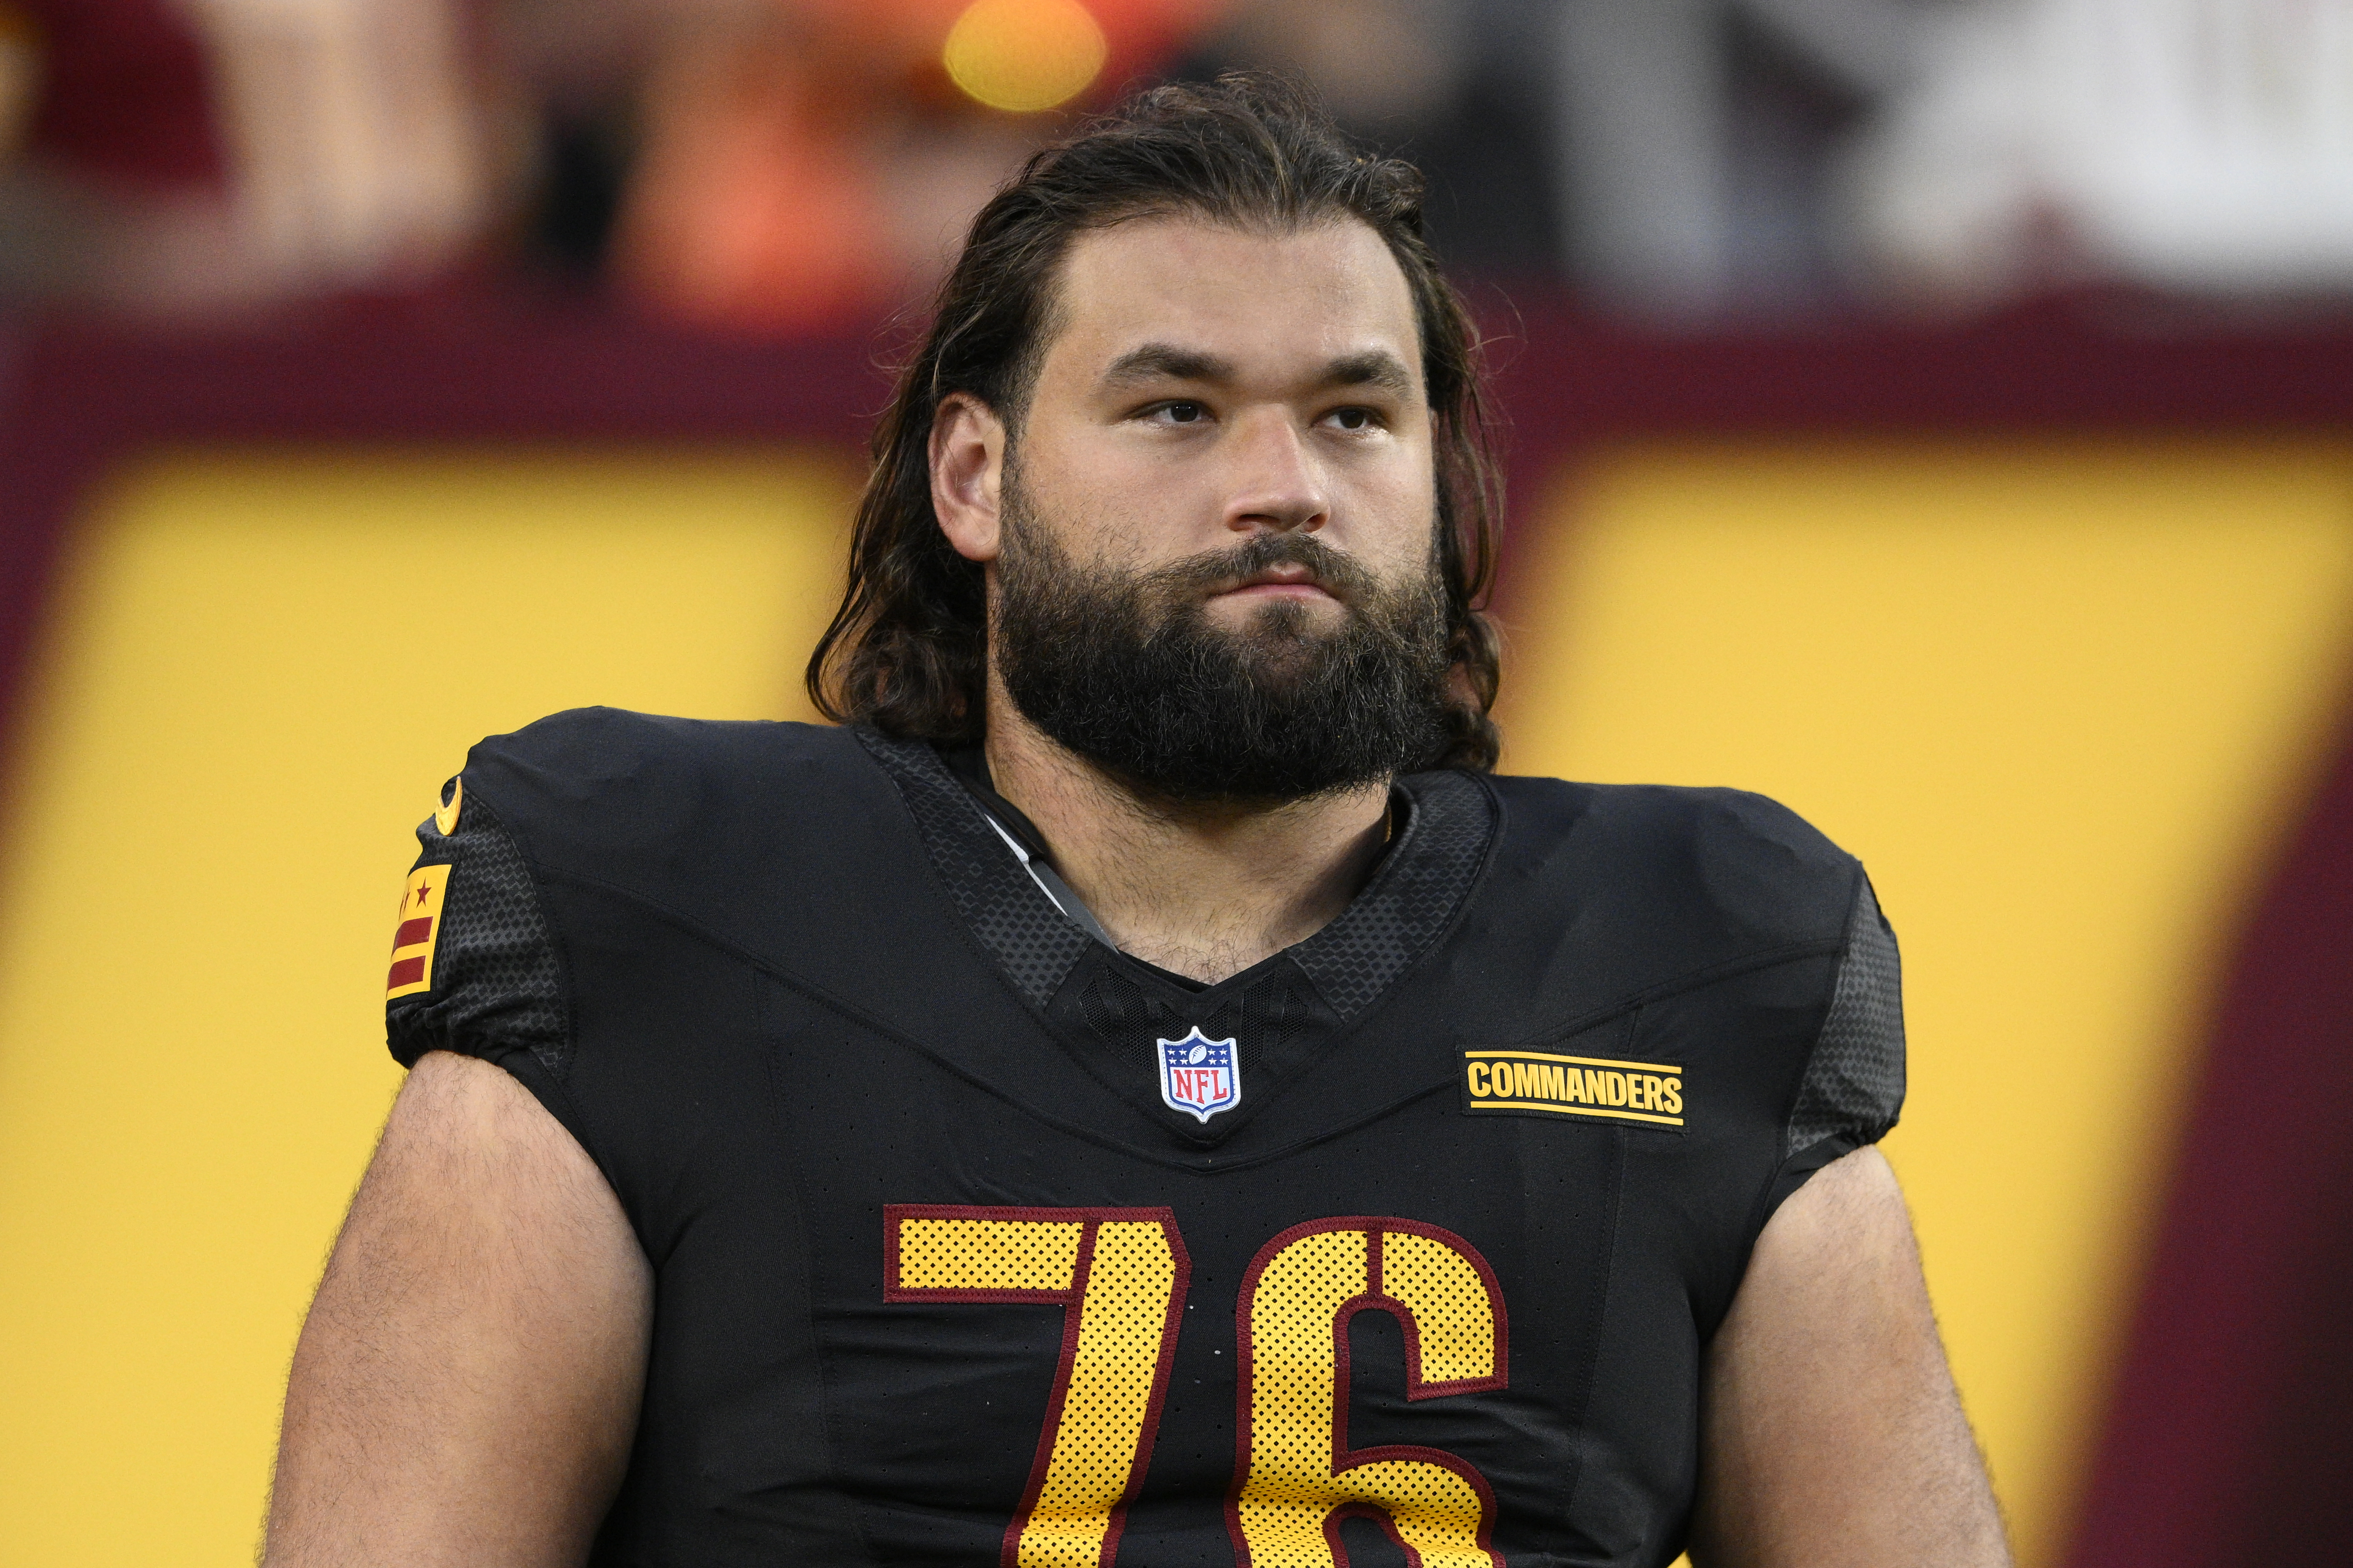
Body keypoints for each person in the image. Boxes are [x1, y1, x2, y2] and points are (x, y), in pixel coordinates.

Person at [263, 75, 2011, 1568]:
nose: (1283, 487)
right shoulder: (647, 903)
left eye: (1354, 414)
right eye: (1176, 409)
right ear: (975, 476)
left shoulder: (1704, 958)